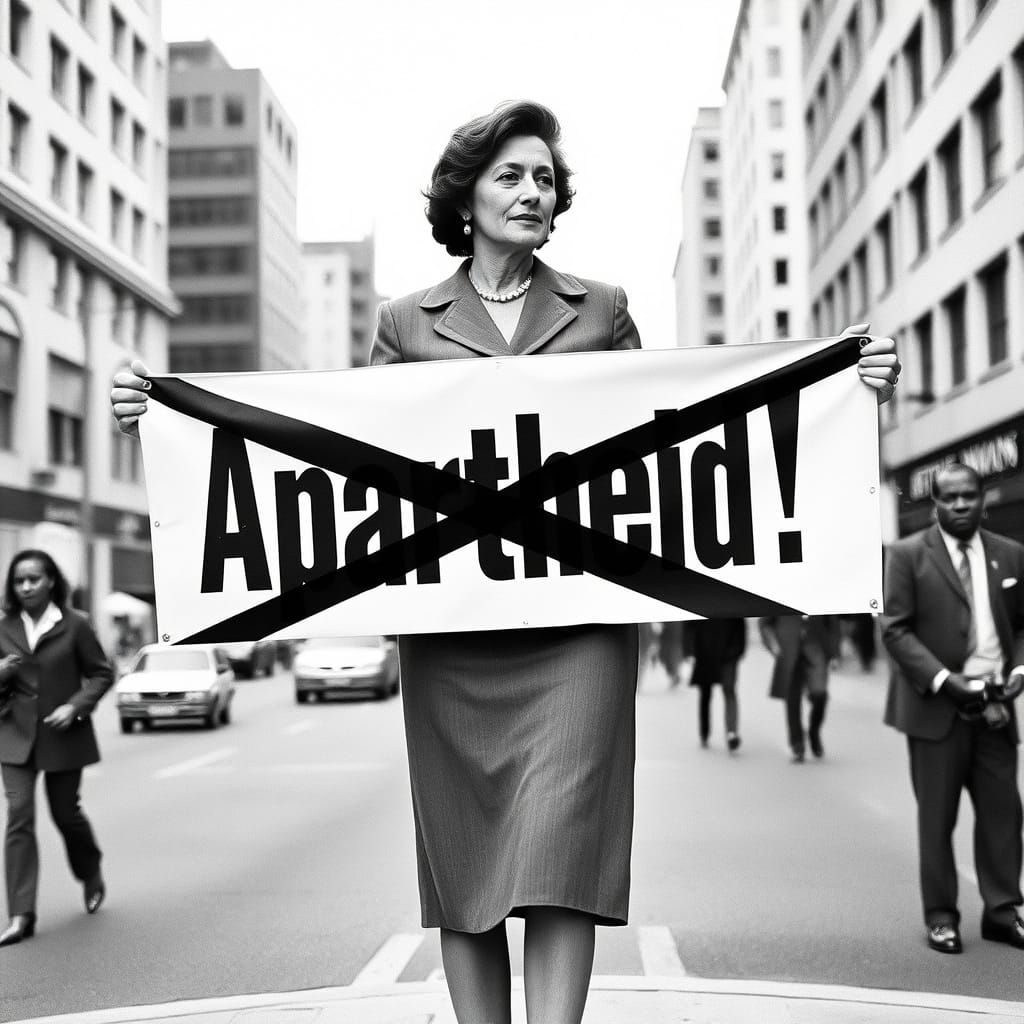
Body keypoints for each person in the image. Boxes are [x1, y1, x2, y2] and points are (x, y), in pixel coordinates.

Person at [110, 100, 900, 1023]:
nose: (534, 192)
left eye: (545, 179)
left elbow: (679, 437)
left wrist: (848, 378)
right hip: (453, 639)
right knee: (468, 855)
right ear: (467, 196)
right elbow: (338, 458)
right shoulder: (406, 320)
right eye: (511, 176)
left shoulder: (601, 308)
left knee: (564, 849)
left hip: (579, 632)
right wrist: (163, 413)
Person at [881, 463, 1024, 955]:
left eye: (969, 495)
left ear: (983, 498)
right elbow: (894, 629)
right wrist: (944, 680)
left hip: (995, 710)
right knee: (937, 819)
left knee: (1005, 815)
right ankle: (941, 916)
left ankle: (1003, 912)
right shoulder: (905, 555)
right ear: (934, 503)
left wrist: (1019, 671)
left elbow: (1021, 627)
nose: (960, 504)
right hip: (935, 709)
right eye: (950, 498)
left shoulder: (1011, 554)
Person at [0, 550, 113, 947]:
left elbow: (101, 674)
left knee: (65, 813)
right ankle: (20, 914)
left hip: (63, 733)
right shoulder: (3, 626)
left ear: (51, 582)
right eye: (19, 580)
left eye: (34, 578)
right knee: (18, 815)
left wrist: (75, 706)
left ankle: (90, 870)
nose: (26, 586)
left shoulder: (75, 625)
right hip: (13, 735)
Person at [759, 614, 840, 762]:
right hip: (789, 652)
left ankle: (814, 732)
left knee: (819, 694)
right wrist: (773, 644)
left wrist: (834, 653)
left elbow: (833, 625)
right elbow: (765, 623)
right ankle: (797, 743)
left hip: (816, 649)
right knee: (792, 697)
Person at [686, 618, 746, 751]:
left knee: (728, 690)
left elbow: (739, 625)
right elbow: (690, 626)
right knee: (706, 693)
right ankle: (704, 733)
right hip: (705, 652)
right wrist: (691, 650)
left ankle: (731, 733)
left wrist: (737, 650)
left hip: (728, 653)